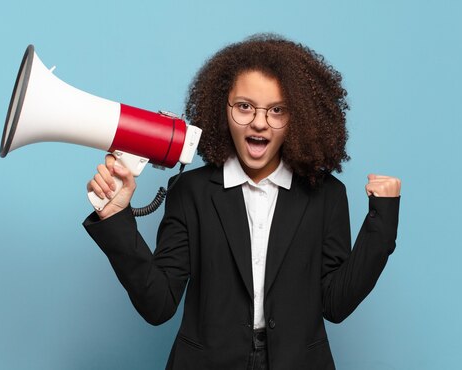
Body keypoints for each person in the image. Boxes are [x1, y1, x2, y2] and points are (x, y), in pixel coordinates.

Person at [83, 34, 401, 370]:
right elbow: (157, 305)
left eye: (277, 110)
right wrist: (116, 217)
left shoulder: (326, 196)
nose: (259, 122)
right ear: (223, 109)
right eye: (245, 106)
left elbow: (336, 304)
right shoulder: (191, 191)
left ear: (298, 118)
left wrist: (381, 227)